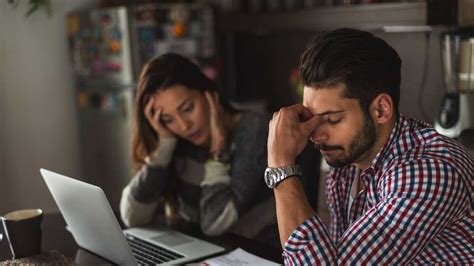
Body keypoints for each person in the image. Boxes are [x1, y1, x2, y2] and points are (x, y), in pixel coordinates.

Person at [266, 28, 473, 264]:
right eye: (310, 118)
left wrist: (281, 167)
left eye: (332, 119)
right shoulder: (346, 160)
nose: (316, 134)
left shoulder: (430, 172)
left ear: (381, 110)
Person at [120, 53, 277, 243]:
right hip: (202, 250)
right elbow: (132, 217)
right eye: (168, 119)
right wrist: (163, 147)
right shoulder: (176, 140)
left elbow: (214, 223)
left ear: (209, 94)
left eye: (187, 109)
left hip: (255, 253)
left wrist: (217, 150)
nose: (183, 126)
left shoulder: (254, 130)